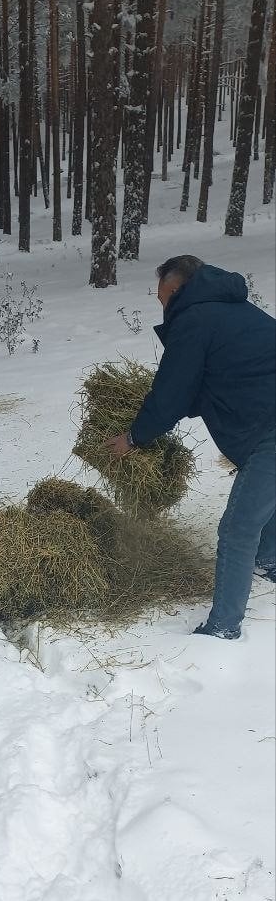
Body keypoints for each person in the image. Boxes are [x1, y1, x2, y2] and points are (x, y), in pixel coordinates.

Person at [106, 255, 276, 639]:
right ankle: (269, 561)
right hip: (266, 421)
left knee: (237, 529)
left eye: (163, 297)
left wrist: (134, 437)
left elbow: (173, 393)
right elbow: (218, 379)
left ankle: (223, 627)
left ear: (178, 289)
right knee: (266, 494)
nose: (162, 306)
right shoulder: (235, 310)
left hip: (271, 431)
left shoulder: (194, 320)